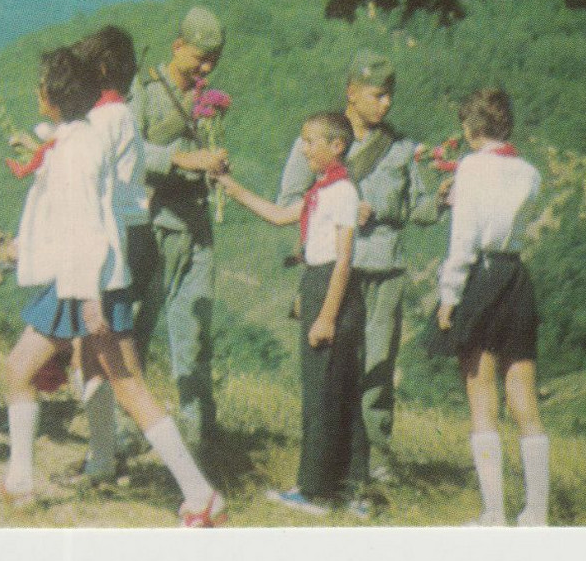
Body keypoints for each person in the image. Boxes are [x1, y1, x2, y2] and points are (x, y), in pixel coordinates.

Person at [0, 47, 226, 526]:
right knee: (92, 378)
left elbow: (87, 227)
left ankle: (200, 494)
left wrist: (90, 297)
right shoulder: (82, 140)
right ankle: (21, 482)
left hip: (84, 285)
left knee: (94, 380)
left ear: (50, 97)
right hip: (95, 279)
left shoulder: (75, 153)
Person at [276, 50, 440, 482]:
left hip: (383, 267)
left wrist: (443, 199)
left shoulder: (401, 148)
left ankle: (374, 456)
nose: (386, 104)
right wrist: (338, 206)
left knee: (377, 363)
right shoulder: (317, 141)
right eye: (377, 95)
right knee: (330, 365)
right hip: (333, 269)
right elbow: (290, 201)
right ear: (352, 93)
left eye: (390, 96)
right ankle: (328, 453)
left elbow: (418, 208)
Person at [218, 112, 368, 518]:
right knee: (335, 389)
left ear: (336, 146)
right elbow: (280, 215)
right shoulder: (323, 189)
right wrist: (233, 190)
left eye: (310, 141)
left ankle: (316, 490)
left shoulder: (343, 194)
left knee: (322, 392)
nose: (303, 149)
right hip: (317, 283)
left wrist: (326, 316)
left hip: (332, 289)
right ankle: (350, 487)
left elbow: (342, 261)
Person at [433, 88, 548, 527]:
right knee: (524, 395)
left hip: (481, 277)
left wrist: (449, 296)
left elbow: (464, 238)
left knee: (482, 396)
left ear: (469, 128)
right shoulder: (529, 173)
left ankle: (494, 512)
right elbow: (504, 218)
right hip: (516, 276)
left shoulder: (471, 168)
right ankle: (535, 513)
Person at [129, 6, 231, 453]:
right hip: (153, 224)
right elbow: (128, 149)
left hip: (197, 222)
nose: (205, 68)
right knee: (136, 329)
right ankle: (123, 426)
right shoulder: (146, 89)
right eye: (199, 58)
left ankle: (196, 435)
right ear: (177, 46)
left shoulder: (206, 96)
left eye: (214, 60)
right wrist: (181, 159)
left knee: (194, 330)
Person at [56, 25, 146, 488]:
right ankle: (101, 457)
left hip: (104, 247)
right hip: (112, 239)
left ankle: (111, 453)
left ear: (103, 69)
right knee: (91, 356)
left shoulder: (107, 120)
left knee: (110, 361)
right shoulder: (117, 116)